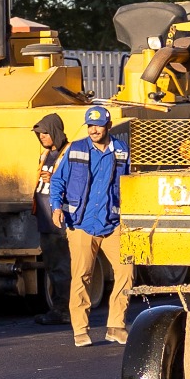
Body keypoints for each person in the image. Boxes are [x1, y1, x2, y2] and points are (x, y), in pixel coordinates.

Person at [49, 104, 132, 347]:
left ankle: (116, 326)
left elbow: (130, 184)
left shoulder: (122, 151)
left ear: (108, 126)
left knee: (127, 272)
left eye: (97, 125)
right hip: (81, 224)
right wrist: (56, 207)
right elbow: (58, 181)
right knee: (82, 275)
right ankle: (81, 330)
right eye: (90, 125)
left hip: (113, 223)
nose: (93, 130)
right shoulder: (75, 149)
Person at [30, 114, 71, 327]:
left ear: (55, 131)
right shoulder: (46, 155)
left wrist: (55, 179)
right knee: (52, 266)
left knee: (61, 267)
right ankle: (58, 308)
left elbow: (77, 183)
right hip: (45, 220)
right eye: (39, 133)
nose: (42, 137)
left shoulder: (68, 153)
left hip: (59, 221)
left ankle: (64, 310)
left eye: (45, 132)